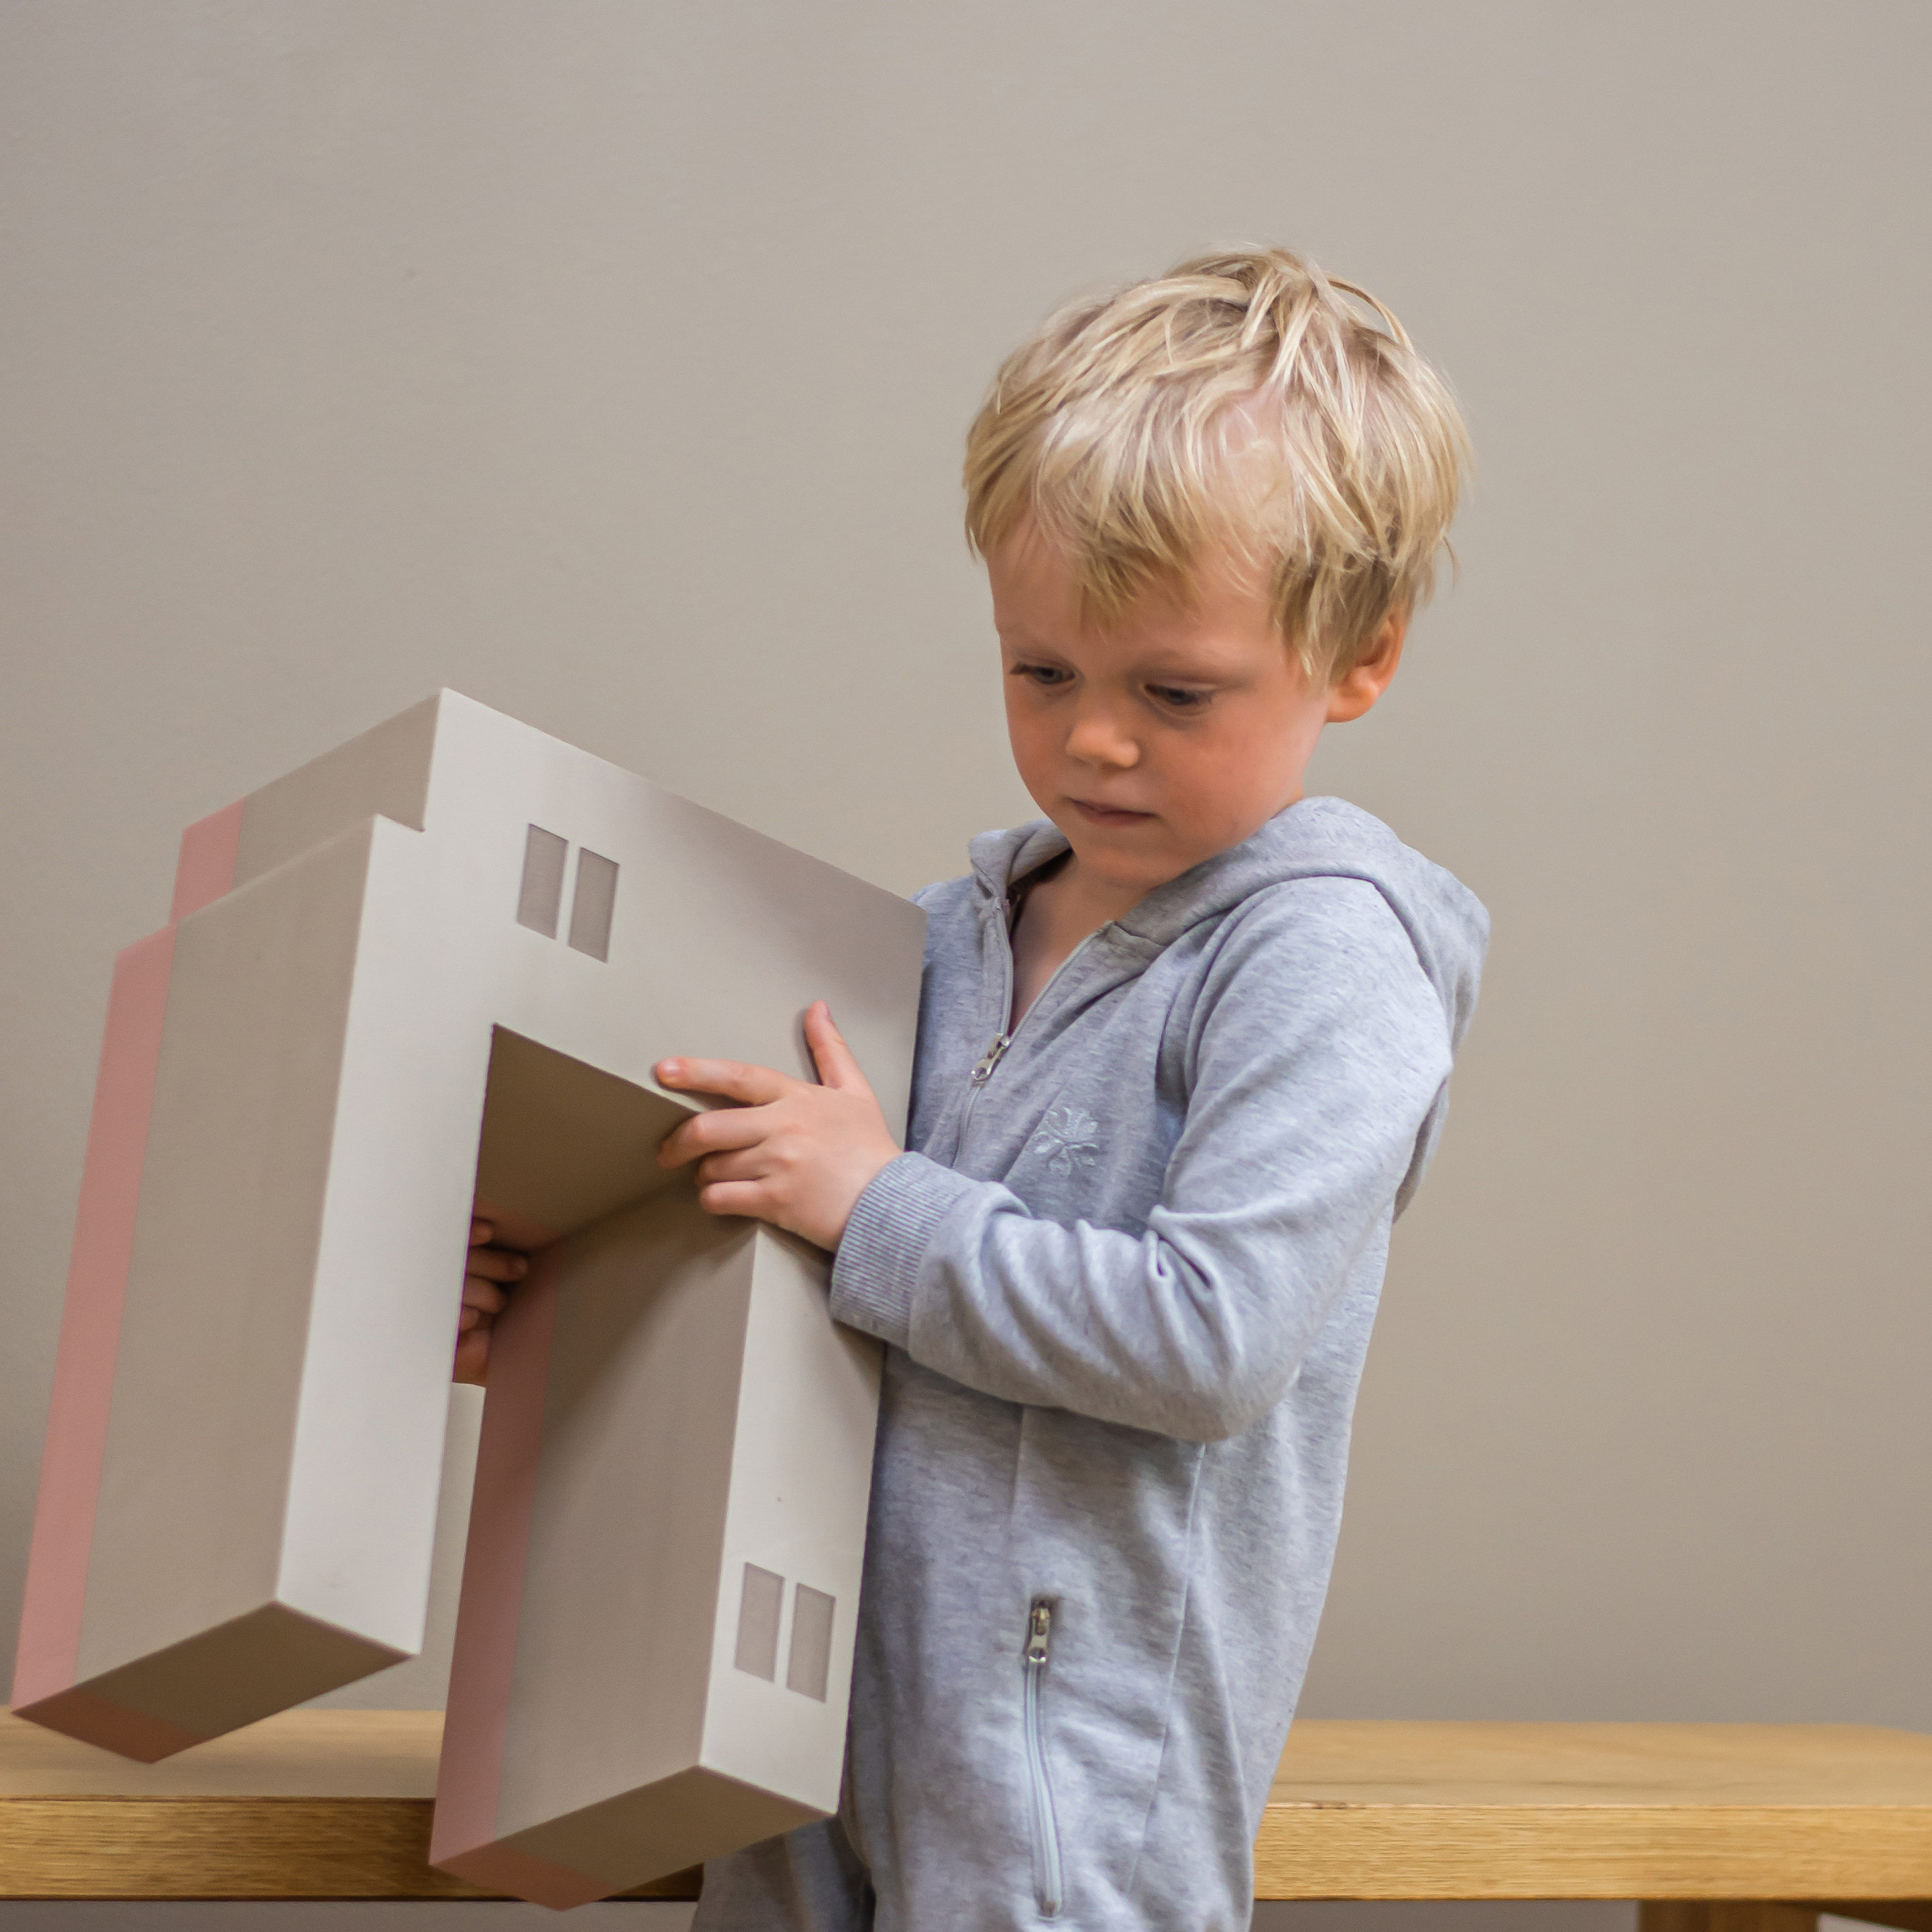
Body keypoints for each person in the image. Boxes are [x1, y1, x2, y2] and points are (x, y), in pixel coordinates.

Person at [463, 247, 1488, 1931]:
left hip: (1066, 1797)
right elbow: (778, 1260)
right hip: (795, 1743)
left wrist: (878, 1202)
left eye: (1173, 692)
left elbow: (1207, 1340)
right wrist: (560, 1302)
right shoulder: (936, 940)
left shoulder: (1321, 962)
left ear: (1357, 657)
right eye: (1042, 673)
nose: (1095, 742)